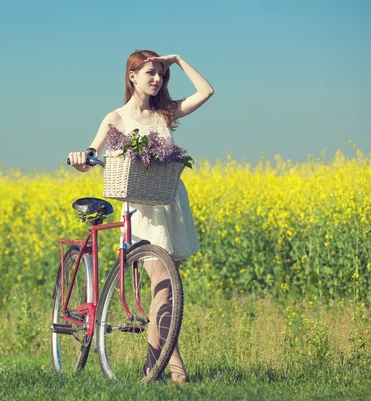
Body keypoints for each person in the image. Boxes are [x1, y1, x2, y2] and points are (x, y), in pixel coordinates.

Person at [68, 49, 214, 384]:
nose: (156, 79)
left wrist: (176, 60)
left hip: (170, 203)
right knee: (163, 288)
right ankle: (172, 368)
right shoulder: (116, 118)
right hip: (140, 209)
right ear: (132, 75)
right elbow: (92, 152)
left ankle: (154, 366)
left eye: (160, 74)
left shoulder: (165, 114)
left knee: (168, 292)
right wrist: (82, 158)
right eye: (150, 72)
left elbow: (206, 92)